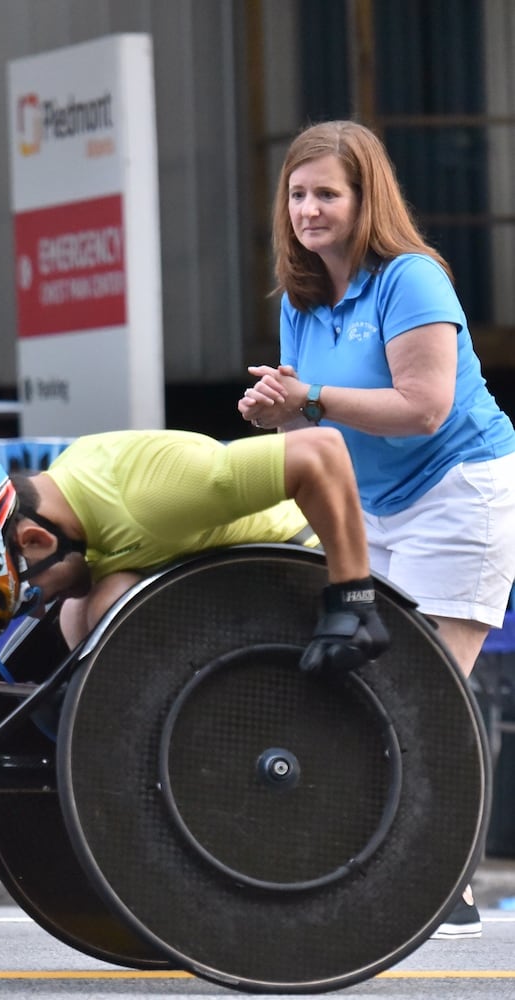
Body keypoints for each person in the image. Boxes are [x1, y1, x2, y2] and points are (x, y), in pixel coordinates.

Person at [238, 120, 515, 939]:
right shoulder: (300, 296)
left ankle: (445, 885)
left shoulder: (412, 278)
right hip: (370, 504)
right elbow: (307, 440)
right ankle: (367, 866)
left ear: (365, 200)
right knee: (348, 681)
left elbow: (424, 409)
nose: (309, 210)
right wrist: (270, 416)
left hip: (457, 490)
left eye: (327, 193)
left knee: (427, 690)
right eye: (297, 194)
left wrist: (309, 400)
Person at [0, 428, 387, 683]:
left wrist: (351, 595)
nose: (39, 605)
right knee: (84, 609)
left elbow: (321, 451)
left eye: (28, 596)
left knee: (106, 606)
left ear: (36, 541)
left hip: (301, 564)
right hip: (234, 583)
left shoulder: (150, 498)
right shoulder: (70, 493)